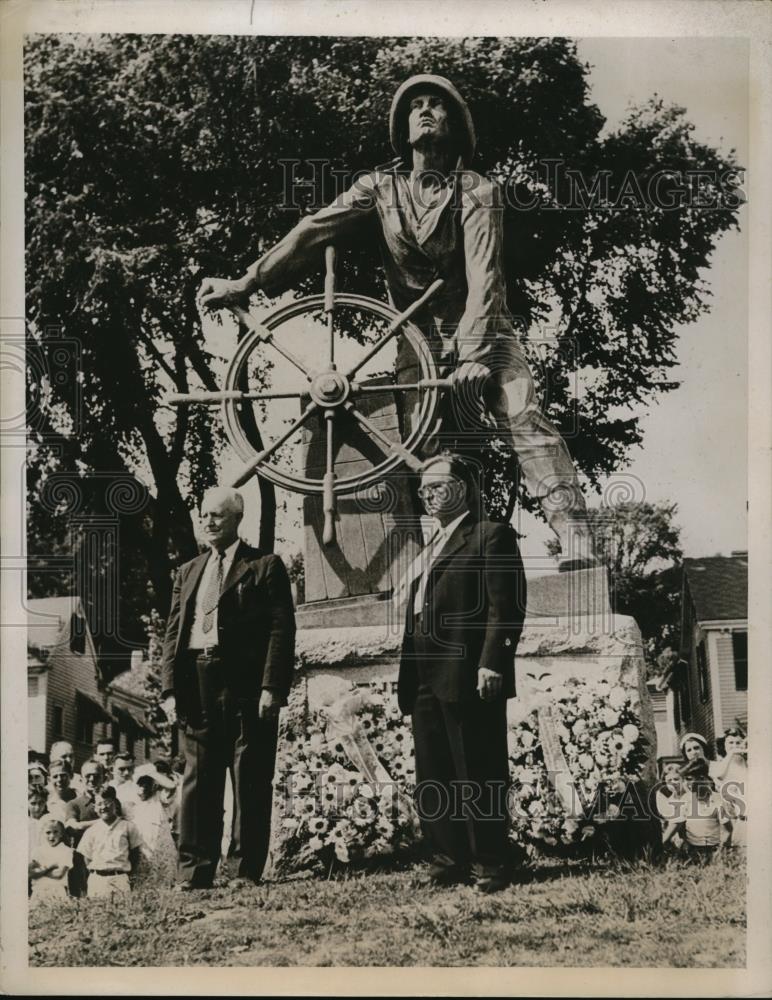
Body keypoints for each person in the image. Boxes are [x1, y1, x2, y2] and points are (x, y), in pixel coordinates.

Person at [197, 74, 596, 570]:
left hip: (484, 333)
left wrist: (472, 355)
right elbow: (309, 233)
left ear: (457, 127)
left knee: (524, 419)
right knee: (425, 450)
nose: (425, 111)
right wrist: (245, 283)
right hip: (416, 340)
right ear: (402, 128)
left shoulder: (476, 191)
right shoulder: (378, 188)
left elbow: (486, 278)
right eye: (415, 106)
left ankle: (575, 535)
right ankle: (451, 554)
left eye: (437, 105)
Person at [397, 453, 526, 892]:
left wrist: (492, 662)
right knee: (434, 773)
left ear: (463, 488)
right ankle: (447, 858)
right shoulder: (430, 544)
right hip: (423, 677)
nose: (426, 494)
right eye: (423, 489)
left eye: (436, 485)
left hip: (468, 673)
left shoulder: (491, 535)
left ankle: (491, 862)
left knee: (479, 768)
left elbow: (504, 608)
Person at [160, 486, 296, 890]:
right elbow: (173, 634)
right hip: (195, 683)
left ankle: (243, 869)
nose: (208, 520)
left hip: (245, 687)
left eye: (217, 515)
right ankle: (195, 870)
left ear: (238, 518)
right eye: (204, 514)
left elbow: (280, 629)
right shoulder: (188, 571)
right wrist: (169, 690)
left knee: (249, 772)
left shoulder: (264, 566)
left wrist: (272, 686)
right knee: (197, 778)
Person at [77, 787, 143, 898]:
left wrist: (128, 875)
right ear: (95, 807)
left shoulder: (128, 827)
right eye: (99, 804)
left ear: (115, 804)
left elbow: (135, 854)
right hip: (97, 880)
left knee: (122, 913)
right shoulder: (91, 831)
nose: (103, 807)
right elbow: (87, 858)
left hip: (120, 878)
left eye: (107, 803)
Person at [662, 757, 731, 862]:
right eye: (685, 779)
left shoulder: (718, 800)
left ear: (703, 779)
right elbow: (675, 824)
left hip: (713, 849)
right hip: (691, 850)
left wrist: (720, 852)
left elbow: (728, 830)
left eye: (690, 779)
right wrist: (663, 843)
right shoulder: (685, 799)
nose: (686, 784)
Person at [130, 763, 178, 888]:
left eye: (147, 784)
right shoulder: (132, 802)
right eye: (141, 784)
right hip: (142, 846)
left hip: (161, 846)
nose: (144, 788)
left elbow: (172, 785)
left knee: (163, 878)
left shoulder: (159, 798)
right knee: (142, 878)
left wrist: (151, 772)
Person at [711, 728, 748, 848]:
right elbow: (719, 774)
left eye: (738, 743)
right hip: (729, 802)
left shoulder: (745, 761)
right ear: (724, 745)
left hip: (745, 800)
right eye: (730, 743)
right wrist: (731, 754)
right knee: (732, 833)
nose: (735, 746)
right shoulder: (721, 763)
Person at [29, 818, 73, 905]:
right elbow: (31, 873)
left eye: (56, 832)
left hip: (57, 891)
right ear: (43, 833)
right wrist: (51, 866)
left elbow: (59, 874)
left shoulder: (66, 851)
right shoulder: (37, 851)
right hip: (38, 891)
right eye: (48, 832)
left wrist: (40, 870)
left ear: (61, 834)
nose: (52, 836)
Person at [45, 760, 78, 825]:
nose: (59, 779)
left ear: (71, 776)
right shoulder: (47, 803)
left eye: (63, 775)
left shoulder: (81, 796)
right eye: (55, 776)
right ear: (49, 779)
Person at [110, 752, 139, 818]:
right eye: (122, 769)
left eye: (130, 769)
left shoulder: (138, 789)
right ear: (111, 769)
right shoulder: (106, 787)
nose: (126, 773)